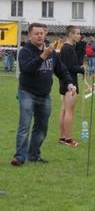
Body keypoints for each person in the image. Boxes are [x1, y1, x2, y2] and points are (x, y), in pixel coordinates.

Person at [11, 23, 76, 166]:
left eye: (42, 33)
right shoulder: (25, 51)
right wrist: (42, 56)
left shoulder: (51, 52)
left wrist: (70, 83)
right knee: (25, 125)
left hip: (44, 95)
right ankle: (20, 157)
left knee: (42, 127)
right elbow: (27, 69)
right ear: (29, 35)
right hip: (27, 92)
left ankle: (34, 155)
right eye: (36, 33)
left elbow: (61, 70)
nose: (40, 36)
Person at [58, 26, 85, 147]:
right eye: (77, 34)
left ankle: (62, 137)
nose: (79, 36)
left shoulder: (68, 48)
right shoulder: (68, 49)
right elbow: (68, 67)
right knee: (69, 111)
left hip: (66, 82)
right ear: (70, 34)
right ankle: (68, 139)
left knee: (64, 110)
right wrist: (81, 69)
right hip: (70, 83)